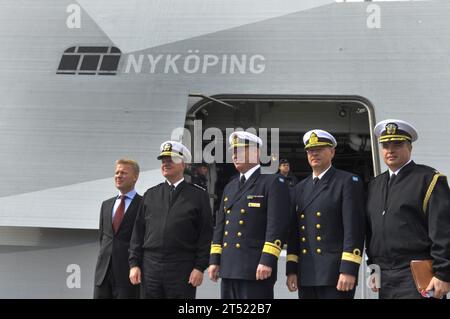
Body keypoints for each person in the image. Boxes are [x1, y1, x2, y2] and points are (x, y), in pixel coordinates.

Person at [366, 119, 450, 299]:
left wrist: (443, 273)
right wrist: (372, 267)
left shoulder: (429, 179)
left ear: (409, 147)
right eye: (386, 145)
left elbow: (443, 230)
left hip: (418, 275)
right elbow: (371, 229)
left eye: (397, 144)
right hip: (385, 276)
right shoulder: (375, 184)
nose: (390, 150)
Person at [208, 131, 291, 299]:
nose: (234, 155)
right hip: (229, 266)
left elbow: (276, 226)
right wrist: (215, 260)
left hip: (255, 267)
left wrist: (267, 260)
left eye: (240, 150)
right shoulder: (230, 187)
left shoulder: (272, 182)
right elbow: (221, 226)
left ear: (256, 153)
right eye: (233, 151)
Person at [286, 130, 365, 299]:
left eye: (320, 149)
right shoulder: (300, 188)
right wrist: (292, 269)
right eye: (310, 150)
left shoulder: (347, 182)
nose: (314, 153)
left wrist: (349, 269)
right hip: (306, 273)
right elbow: (295, 232)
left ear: (332, 152)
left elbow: (354, 229)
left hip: (335, 274)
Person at [128, 141, 213, 299]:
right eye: (163, 160)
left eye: (171, 159)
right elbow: (138, 233)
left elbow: (205, 235)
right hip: (150, 267)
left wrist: (200, 267)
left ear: (183, 164)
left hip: (182, 268)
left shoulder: (198, 196)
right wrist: (134, 264)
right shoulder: (150, 195)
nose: (166, 163)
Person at [94, 159, 142, 299]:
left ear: (135, 177)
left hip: (128, 275)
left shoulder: (143, 205)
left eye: (123, 173)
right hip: (103, 275)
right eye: (117, 172)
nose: (118, 176)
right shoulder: (106, 205)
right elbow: (102, 237)